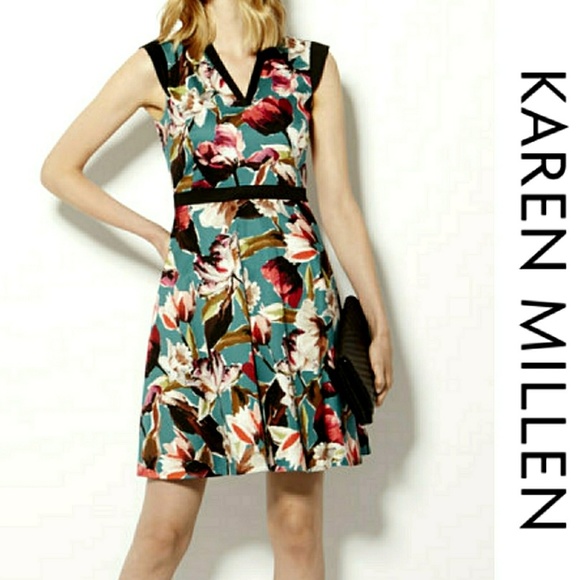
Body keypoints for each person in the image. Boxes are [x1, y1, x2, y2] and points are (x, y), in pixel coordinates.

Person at [40, 0, 393, 577]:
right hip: (196, 314)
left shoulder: (311, 66)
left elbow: (339, 204)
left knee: (297, 527)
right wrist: (156, 235)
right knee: (163, 533)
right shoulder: (161, 65)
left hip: (296, 311)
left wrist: (379, 325)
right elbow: (59, 168)